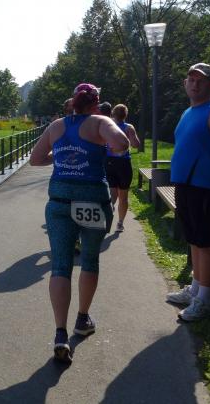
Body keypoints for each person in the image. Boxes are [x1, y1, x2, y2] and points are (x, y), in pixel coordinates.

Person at [30, 83, 129, 363]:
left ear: (73, 102)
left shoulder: (57, 126)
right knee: (89, 261)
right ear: (96, 104)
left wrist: (62, 156)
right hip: (93, 202)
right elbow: (121, 143)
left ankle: (60, 333)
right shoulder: (100, 122)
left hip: (60, 201)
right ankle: (82, 319)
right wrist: (102, 145)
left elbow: (35, 159)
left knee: (60, 266)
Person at [166, 63, 210, 321]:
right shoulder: (190, 111)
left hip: (204, 188)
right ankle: (196, 289)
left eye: (201, 80)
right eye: (191, 79)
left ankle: (204, 299)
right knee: (194, 239)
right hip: (185, 185)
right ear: (185, 83)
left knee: (206, 242)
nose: (195, 84)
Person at [106, 104, 141, 232]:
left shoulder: (108, 126)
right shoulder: (128, 127)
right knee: (123, 195)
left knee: (112, 192)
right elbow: (136, 144)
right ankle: (120, 223)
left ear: (113, 113)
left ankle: (109, 210)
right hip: (124, 163)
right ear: (125, 115)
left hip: (109, 162)